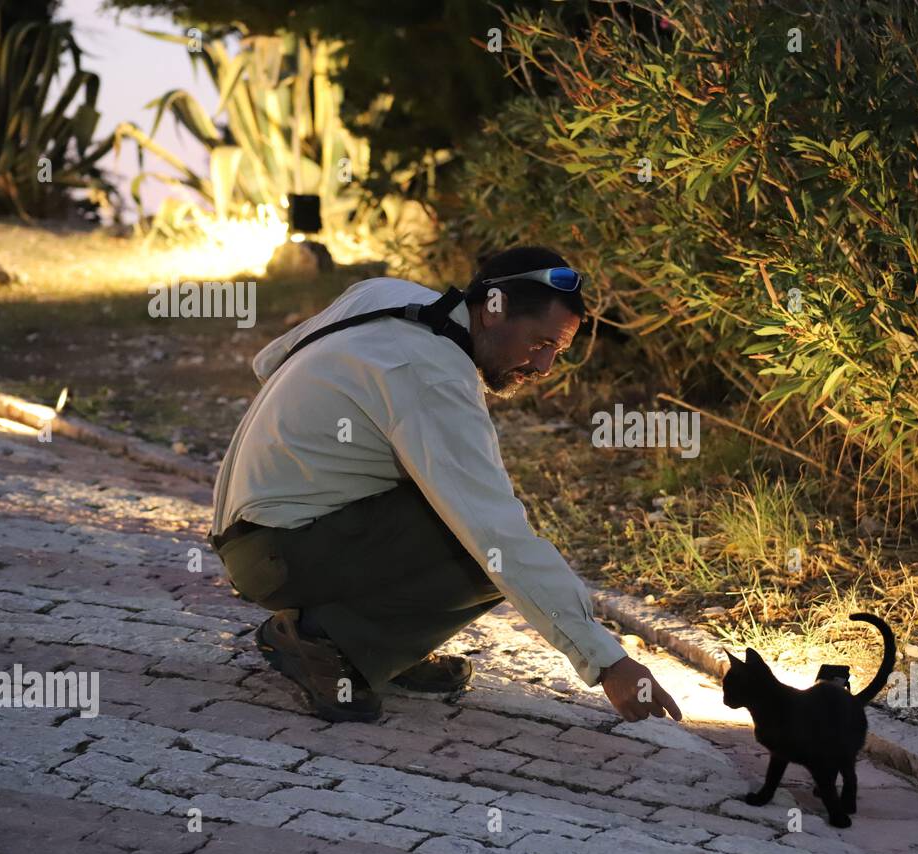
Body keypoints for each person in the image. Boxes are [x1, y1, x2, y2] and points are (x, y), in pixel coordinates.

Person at [208, 245, 682, 726]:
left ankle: (379, 650)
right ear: (493, 309)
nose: (543, 368)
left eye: (556, 352)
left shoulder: (388, 294)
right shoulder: (433, 376)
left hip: (252, 532)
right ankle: (323, 643)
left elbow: (269, 362)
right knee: (485, 552)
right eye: (539, 344)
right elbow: (498, 536)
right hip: (278, 555)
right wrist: (610, 663)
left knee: (455, 514)